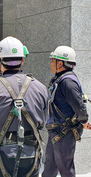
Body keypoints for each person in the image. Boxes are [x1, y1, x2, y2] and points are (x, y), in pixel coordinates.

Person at [0, 36, 48, 177]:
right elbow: (43, 121)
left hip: (1, 154)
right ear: (22, 60)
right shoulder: (40, 87)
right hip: (32, 155)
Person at [42, 46, 91, 177]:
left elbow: (79, 106)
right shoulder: (60, 79)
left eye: (53, 60)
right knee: (49, 167)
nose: (51, 63)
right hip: (56, 131)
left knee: (65, 169)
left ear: (60, 63)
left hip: (64, 133)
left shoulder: (67, 82)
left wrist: (84, 120)